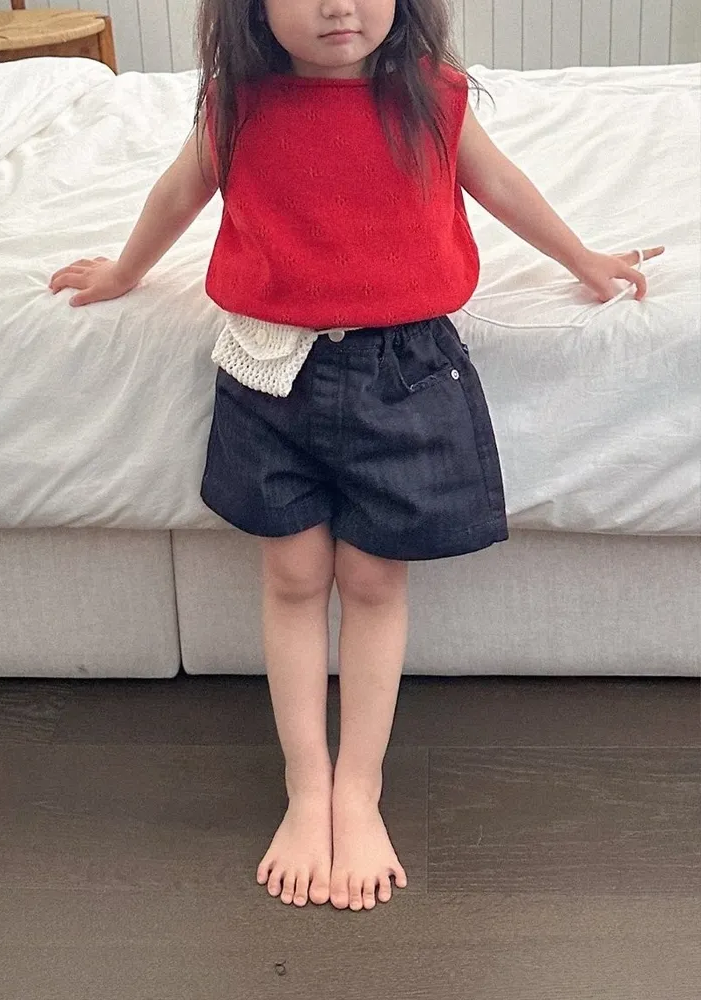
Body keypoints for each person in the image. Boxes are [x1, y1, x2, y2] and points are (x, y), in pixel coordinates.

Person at [49, 0, 663, 912]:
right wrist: (124, 273)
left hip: (404, 374)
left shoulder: (431, 94)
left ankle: (357, 787)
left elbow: (499, 183)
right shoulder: (238, 104)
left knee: (373, 581)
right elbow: (180, 192)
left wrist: (583, 259)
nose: (339, 5)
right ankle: (307, 785)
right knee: (293, 576)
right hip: (270, 368)